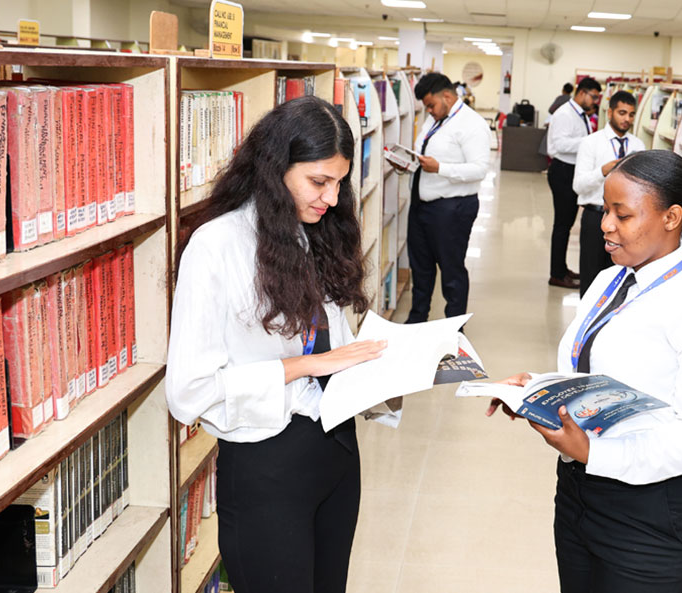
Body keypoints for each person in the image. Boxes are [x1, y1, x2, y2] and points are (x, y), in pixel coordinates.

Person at [488, 150, 682, 593]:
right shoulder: (611, 280)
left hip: (651, 514)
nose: (606, 224)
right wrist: (539, 391)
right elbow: (591, 371)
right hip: (578, 493)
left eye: (621, 215)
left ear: (672, 217)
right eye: (606, 210)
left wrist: (594, 454)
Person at [166, 96, 391, 593]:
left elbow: (335, 344)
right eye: (318, 181)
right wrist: (307, 366)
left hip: (336, 452)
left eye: (339, 182)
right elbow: (188, 392)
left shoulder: (316, 232)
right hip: (266, 464)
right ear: (274, 169)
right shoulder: (216, 246)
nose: (332, 199)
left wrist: (391, 368)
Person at [407, 72, 491, 323]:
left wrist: (440, 168)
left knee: (451, 271)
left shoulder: (472, 125)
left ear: (447, 96)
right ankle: (417, 319)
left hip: (452, 208)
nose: (429, 111)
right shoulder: (434, 120)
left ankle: (454, 328)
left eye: (431, 105)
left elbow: (479, 169)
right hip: (422, 205)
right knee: (420, 268)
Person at [572, 90, 645, 296]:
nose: (627, 119)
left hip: (627, 221)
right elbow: (578, 186)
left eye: (631, 114)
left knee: (620, 275)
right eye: (622, 113)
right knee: (591, 274)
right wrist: (602, 171)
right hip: (595, 216)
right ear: (610, 112)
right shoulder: (591, 143)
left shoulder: (638, 145)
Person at [546, 77, 602, 289]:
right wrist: (589, 143)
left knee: (567, 223)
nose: (595, 101)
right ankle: (556, 274)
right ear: (581, 93)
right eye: (593, 97)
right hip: (562, 170)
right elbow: (559, 144)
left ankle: (561, 267)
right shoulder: (565, 114)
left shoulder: (580, 114)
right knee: (562, 224)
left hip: (572, 169)